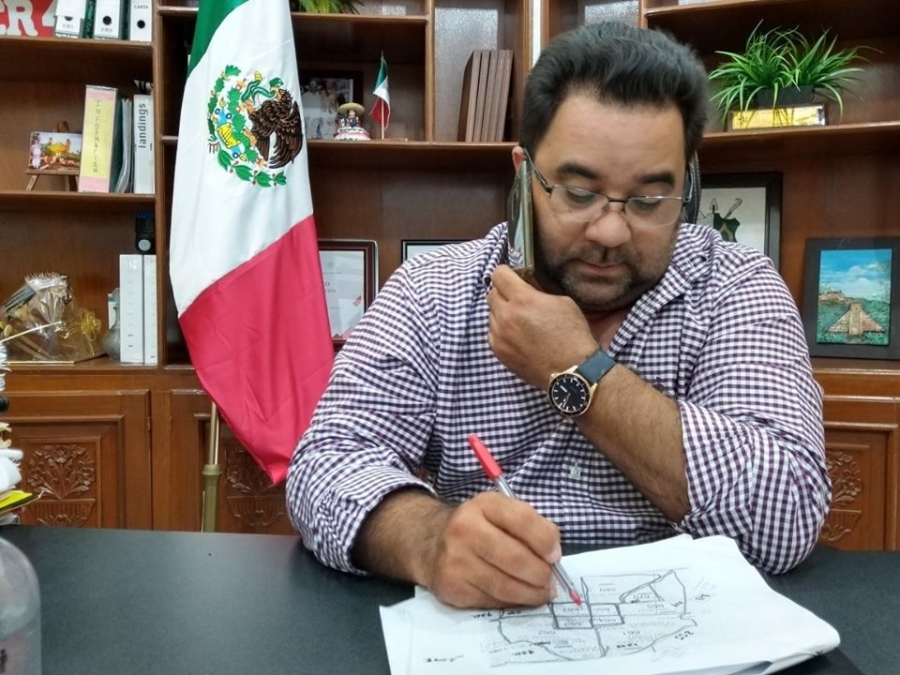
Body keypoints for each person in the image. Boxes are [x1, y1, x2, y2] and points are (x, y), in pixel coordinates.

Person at [286, 21, 830, 610]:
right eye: (578, 192)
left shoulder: (734, 286)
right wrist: (431, 540)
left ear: (689, 186)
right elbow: (326, 466)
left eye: (650, 200)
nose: (610, 232)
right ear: (523, 172)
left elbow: (787, 512)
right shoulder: (433, 291)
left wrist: (575, 368)